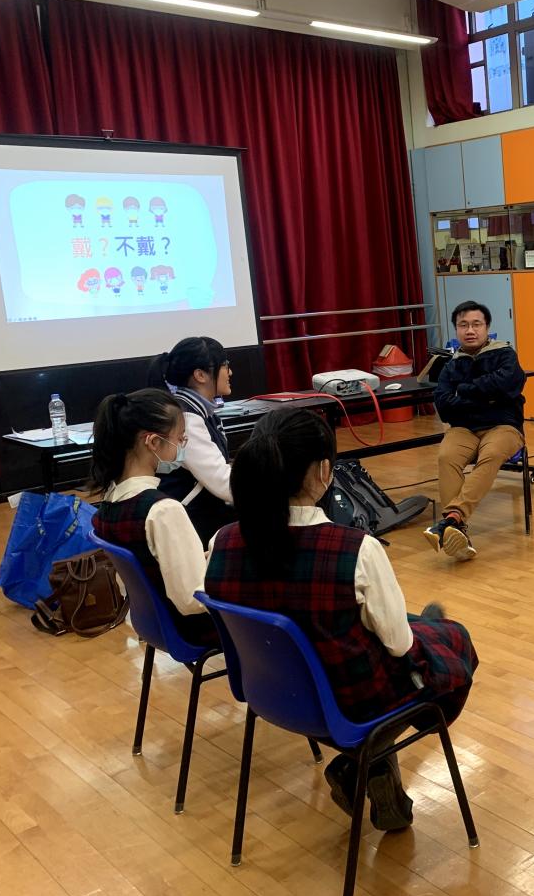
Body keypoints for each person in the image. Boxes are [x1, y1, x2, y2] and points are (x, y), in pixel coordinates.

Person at [206, 409, 478, 830]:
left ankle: (366, 767)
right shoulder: (357, 549)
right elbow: (399, 645)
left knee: (407, 626)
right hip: (351, 699)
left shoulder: (221, 542)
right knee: (453, 642)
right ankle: (361, 762)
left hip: (273, 692)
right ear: (323, 472)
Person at [89, 388, 213, 643]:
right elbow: (192, 600)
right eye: (180, 438)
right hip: (194, 628)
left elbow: (153, 564)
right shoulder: (163, 510)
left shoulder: (110, 501)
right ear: (153, 442)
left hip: (153, 623)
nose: (183, 446)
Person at [426, 301, 527, 561]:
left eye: (476, 324)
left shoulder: (504, 354)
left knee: (491, 454)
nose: (470, 330)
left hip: (503, 425)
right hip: (464, 428)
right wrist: (486, 397)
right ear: (456, 330)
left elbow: (508, 386)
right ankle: (457, 530)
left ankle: (453, 518)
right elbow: (444, 405)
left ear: (487, 327)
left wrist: (464, 391)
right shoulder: (450, 365)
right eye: (463, 325)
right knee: (446, 457)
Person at [148, 337, 236, 545]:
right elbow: (224, 483)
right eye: (225, 365)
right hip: (192, 523)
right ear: (200, 375)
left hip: (201, 513)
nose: (230, 372)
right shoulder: (186, 418)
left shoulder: (198, 410)